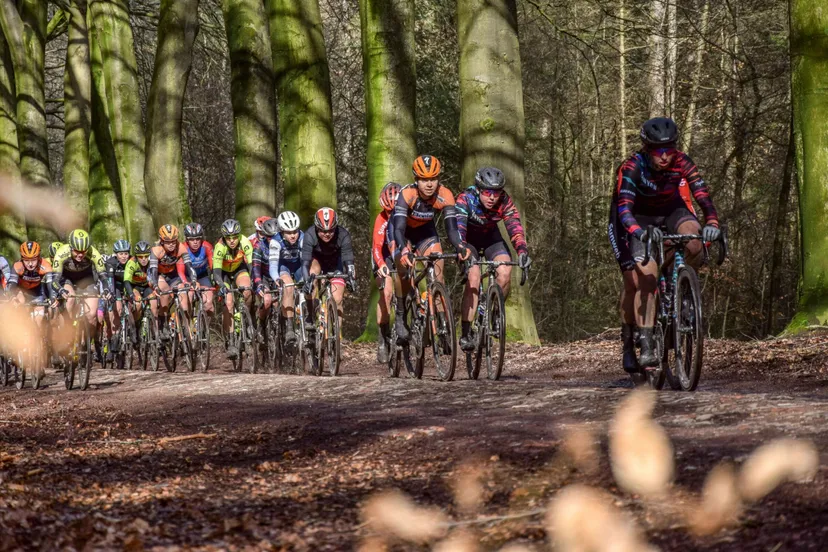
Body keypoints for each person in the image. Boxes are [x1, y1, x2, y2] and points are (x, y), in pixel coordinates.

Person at [609, 117, 720, 375]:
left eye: (669, 150)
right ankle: (642, 343)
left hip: (671, 212)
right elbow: (624, 210)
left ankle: (681, 289)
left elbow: (702, 195)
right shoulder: (632, 166)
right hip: (635, 218)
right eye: (659, 152)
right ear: (648, 149)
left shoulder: (682, 161)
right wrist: (638, 233)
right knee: (643, 280)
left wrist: (712, 222)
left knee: (694, 241)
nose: (664, 157)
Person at [392, 155, 471, 342]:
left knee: (438, 266)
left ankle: (442, 320)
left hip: (426, 233)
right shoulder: (407, 194)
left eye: (433, 179)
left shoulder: (445, 195)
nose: (429, 184)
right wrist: (403, 250)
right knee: (402, 268)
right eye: (424, 180)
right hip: (402, 232)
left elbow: (452, 229)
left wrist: (460, 246)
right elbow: (398, 228)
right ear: (416, 180)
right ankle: (401, 314)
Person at [455, 167, 533, 352]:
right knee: (474, 278)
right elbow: (459, 228)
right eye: (487, 192)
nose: (492, 197)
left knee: (505, 270)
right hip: (468, 241)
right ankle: (466, 332)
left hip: (491, 238)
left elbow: (514, 226)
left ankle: (496, 312)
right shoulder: (466, 199)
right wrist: (461, 250)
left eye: (496, 193)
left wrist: (522, 252)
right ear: (479, 189)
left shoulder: (504, 201)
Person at [51, 229, 107, 345]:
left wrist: (106, 288)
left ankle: (86, 344)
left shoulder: (94, 252)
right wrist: (60, 290)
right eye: (77, 251)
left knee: (92, 315)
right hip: (68, 280)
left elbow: (103, 276)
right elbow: (54, 280)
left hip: (87, 280)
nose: (81, 255)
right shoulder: (61, 253)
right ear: (71, 247)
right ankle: (68, 330)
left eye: (84, 251)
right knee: (69, 300)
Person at [301, 208, 356, 323]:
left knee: (338, 299)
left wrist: (351, 278)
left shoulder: (343, 234)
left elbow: (348, 261)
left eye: (331, 230)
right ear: (316, 227)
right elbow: (305, 262)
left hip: (335, 263)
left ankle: (336, 337)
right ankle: (310, 314)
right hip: (317, 261)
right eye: (322, 231)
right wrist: (307, 281)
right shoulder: (309, 235)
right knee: (312, 275)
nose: (327, 234)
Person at [212, 219, 255, 359]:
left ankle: (247, 318)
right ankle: (230, 341)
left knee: (247, 290)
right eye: (229, 238)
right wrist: (222, 286)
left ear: (239, 235)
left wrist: (255, 280)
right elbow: (216, 273)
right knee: (229, 303)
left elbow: (251, 265)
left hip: (238, 269)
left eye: (234, 237)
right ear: (224, 238)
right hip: (223, 274)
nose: (232, 241)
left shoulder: (244, 242)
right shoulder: (219, 247)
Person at [147, 225, 197, 340]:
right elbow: (153, 272)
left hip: (172, 275)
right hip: (158, 276)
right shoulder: (156, 250)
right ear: (161, 241)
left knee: (183, 291)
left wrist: (193, 280)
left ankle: (184, 325)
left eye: (173, 241)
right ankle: (162, 323)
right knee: (165, 292)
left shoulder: (181, 248)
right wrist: (155, 286)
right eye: (167, 242)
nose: (171, 244)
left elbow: (189, 267)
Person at [372, 182, 401, 362]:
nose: (391, 215)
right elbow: (376, 246)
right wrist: (381, 264)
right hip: (382, 256)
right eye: (388, 211)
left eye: (394, 211)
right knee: (387, 293)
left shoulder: (409, 214)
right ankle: (383, 338)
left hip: (400, 252)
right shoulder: (381, 219)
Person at [266, 211, 304, 346]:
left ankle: (309, 317)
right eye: (289, 232)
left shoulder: (303, 238)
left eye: (295, 231)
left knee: (310, 283)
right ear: (282, 232)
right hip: (284, 267)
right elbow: (273, 266)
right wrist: (277, 279)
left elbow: (307, 262)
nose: (293, 235)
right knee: (288, 285)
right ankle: (289, 327)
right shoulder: (275, 241)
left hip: (300, 266)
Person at [9, 241, 55, 331]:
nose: (30, 264)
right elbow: (11, 285)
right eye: (26, 260)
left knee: (39, 320)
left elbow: (51, 285)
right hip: (21, 291)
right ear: (22, 258)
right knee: (20, 303)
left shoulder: (45, 265)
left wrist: (53, 297)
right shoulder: (18, 266)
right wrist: (12, 297)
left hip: (37, 292)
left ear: (38, 258)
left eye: (33, 260)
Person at [103, 239, 131, 359]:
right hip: (116, 286)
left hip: (129, 285)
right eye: (121, 254)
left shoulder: (132, 261)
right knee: (117, 309)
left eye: (126, 253)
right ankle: (114, 339)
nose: (124, 256)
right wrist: (113, 295)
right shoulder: (111, 262)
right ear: (116, 254)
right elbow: (110, 282)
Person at [181, 222, 215, 318]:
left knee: (209, 304)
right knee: (189, 297)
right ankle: (188, 325)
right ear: (187, 240)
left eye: (198, 239)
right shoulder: (183, 248)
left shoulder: (207, 246)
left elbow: (213, 266)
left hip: (202, 276)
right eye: (192, 239)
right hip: (187, 276)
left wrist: (214, 278)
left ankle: (205, 328)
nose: (195, 242)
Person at [252, 218, 279, 325]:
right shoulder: (259, 246)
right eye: (269, 237)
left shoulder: (282, 245)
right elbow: (255, 268)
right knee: (267, 300)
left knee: (278, 302)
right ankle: (261, 325)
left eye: (275, 236)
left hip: (277, 277)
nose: (272, 239)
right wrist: (258, 284)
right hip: (263, 277)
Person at [123, 241, 154, 326]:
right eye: (140, 256)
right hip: (134, 286)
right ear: (136, 256)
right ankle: (136, 325)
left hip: (146, 286)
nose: (143, 259)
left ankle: (156, 328)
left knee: (154, 301)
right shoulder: (132, 262)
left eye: (146, 256)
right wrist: (130, 294)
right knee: (138, 304)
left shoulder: (153, 261)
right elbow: (126, 280)